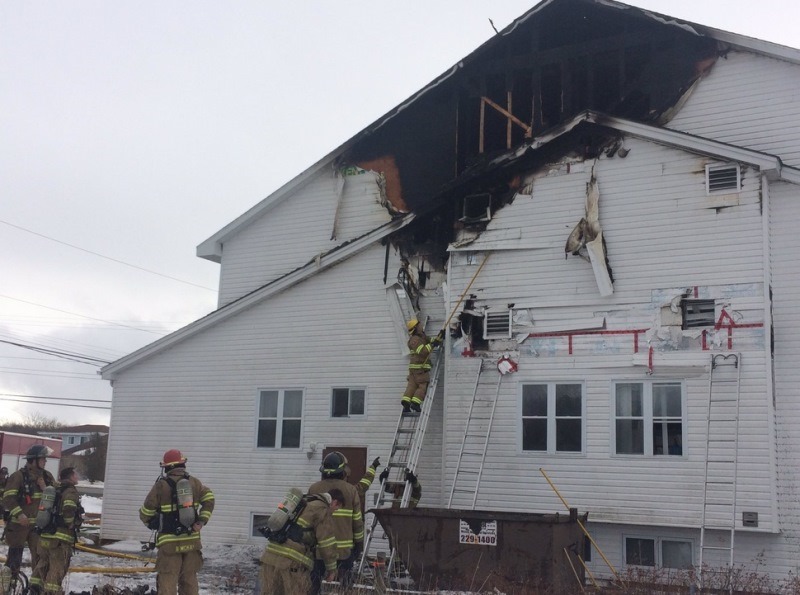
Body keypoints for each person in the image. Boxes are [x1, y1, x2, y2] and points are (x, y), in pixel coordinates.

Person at [139, 449, 215, 595]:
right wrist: (201, 521)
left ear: (167, 467)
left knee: (167, 581)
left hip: (169, 544)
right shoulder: (194, 483)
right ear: (182, 464)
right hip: (191, 542)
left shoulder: (161, 486)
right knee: (189, 580)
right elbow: (209, 499)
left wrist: (151, 523)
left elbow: (146, 511)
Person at [258, 489, 343, 595]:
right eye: (336, 509)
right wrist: (332, 570)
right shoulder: (322, 510)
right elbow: (327, 543)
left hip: (270, 557)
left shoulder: (304, 501)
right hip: (291, 563)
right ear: (334, 502)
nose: (334, 512)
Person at [307, 451, 364, 594]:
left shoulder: (314, 489)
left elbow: (308, 520)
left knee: (313, 587)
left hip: (319, 551)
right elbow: (357, 521)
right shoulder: (351, 490)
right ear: (342, 470)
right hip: (344, 553)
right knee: (345, 588)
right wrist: (359, 545)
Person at [1, 445, 56, 578]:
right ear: (33, 460)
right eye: (43, 459)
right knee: (14, 560)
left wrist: (46, 488)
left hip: (38, 527)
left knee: (40, 559)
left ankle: (36, 589)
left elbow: (57, 496)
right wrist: (19, 514)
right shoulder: (18, 476)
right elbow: (8, 498)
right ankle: (9, 587)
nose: (45, 461)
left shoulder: (47, 477)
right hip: (18, 526)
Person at [30, 467, 83, 595]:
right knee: (57, 570)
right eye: (76, 474)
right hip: (60, 539)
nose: (77, 477)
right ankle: (50, 593)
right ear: (70, 477)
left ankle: (34, 589)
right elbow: (69, 507)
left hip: (45, 536)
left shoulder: (56, 489)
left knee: (42, 565)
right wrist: (71, 523)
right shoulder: (70, 491)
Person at [400, 318, 442, 413]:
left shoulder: (422, 337)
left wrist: (439, 337)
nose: (421, 326)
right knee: (422, 386)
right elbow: (422, 352)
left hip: (414, 370)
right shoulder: (414, 340)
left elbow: (430, 340)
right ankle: (415, 404)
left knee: (412, 386)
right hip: (419, 369)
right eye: (419, 325)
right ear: (415, 328)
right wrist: (432, 345)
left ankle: (406, 402)